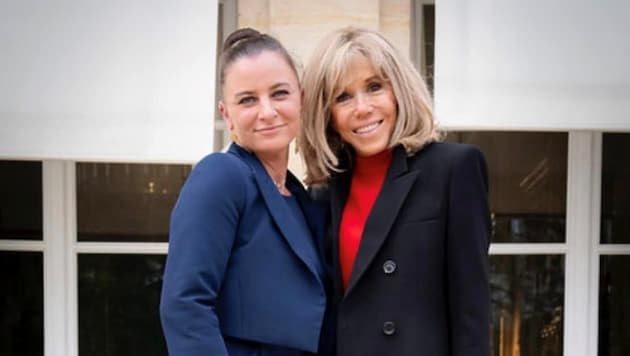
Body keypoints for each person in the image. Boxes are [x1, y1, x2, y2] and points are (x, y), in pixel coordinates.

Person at [299, 27, 491, 356]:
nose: (362, 108)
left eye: (374, 87)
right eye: (343, 97)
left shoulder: (454, 169)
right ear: (327, 116)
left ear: (399, 90)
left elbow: (471, 311)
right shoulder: (323, 192)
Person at [160, 28, 331, 356]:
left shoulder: (300, 197)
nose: (267, 112)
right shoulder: (221, 175)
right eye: (248, 99)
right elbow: (185, 306)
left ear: (302, 98)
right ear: (227, 115)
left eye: (279, 93)